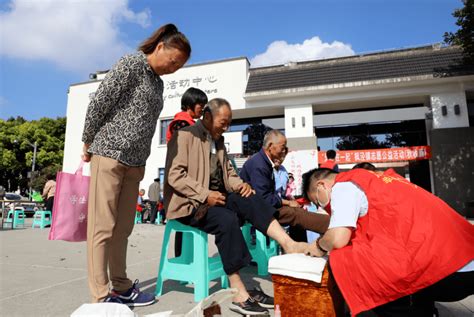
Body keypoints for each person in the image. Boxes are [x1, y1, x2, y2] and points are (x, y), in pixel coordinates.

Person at [165, 98, 311, 316]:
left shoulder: (219, 142)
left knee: (251, 197)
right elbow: (175, 176)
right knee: (226, 220)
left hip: (218, 198)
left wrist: (241, 185)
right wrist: (205, 194)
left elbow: (230, 175)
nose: (227, 127)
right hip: (190, 204)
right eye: (223, 122)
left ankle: (288, 243)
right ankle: (238, 291)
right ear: (207, 117)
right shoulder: (184, 136)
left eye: (229, 123)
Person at [81, 23, 190, 306]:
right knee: (102, 227)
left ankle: (121, 285)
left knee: (123, 228)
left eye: (179, 66)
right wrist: (87, 140)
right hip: (109, 154)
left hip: (135, 163)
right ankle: (101, 294)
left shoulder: (158, 82)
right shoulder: (131, 63)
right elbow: (100, 102)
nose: (173, 68)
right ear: (160, 47)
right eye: (173, 61)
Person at [303, 168, 474, 317]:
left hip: (448, 267)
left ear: (321, 185)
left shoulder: (344, 186)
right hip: (462, 255)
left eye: (318, 201)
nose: (322, 207)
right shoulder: (378, 180)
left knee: (344, 258)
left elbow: (338, 238)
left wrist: (318, 246)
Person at [240, 130, 330, 241]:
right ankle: (331, 226)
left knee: (298, 211)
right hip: (257, 209)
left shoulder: (265, 162)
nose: (284, 151)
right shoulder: (259, 165)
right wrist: (288, 202)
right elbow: (264, 197)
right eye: (283, 147)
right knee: (295, 214)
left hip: (264, 205)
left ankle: (304, 245)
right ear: (270, 146)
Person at [166, 87, 208, 256]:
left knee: (188, 224)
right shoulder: (182, 124)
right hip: (182, 178)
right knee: (183, 220)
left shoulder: (190, 123)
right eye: (201, 105)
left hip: (190, 177)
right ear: (190, 104)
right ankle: (183, 260)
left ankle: (187, 259)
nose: (203, 108)